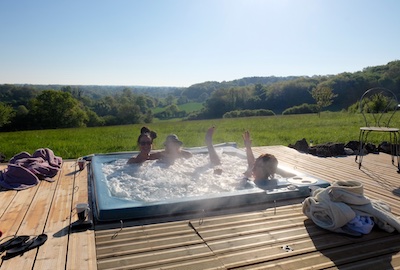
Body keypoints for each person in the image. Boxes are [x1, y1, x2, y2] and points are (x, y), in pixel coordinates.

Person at [206, 126, 278, 186]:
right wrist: (248, 147)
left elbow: (229, 186)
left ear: (267, 170)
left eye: (258, 165)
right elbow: (251, 162)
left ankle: (209, 143)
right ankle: (209, 144)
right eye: (256, 162)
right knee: (218, 165)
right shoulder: (254, 173)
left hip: (229, 181)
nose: (254, 166)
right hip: (235, 177)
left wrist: (218, 178)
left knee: (218, 166)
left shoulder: (250, 184)